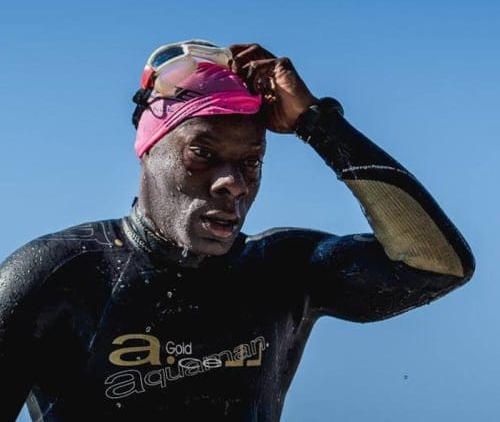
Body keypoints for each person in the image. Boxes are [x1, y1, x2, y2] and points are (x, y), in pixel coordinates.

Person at [0, 40, 475, 422]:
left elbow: (438, 264)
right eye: (202, 154)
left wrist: (317, 123)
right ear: (148, 152)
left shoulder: (284, 271)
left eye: (251, 162)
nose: (233, 183)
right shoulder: (57, 276)